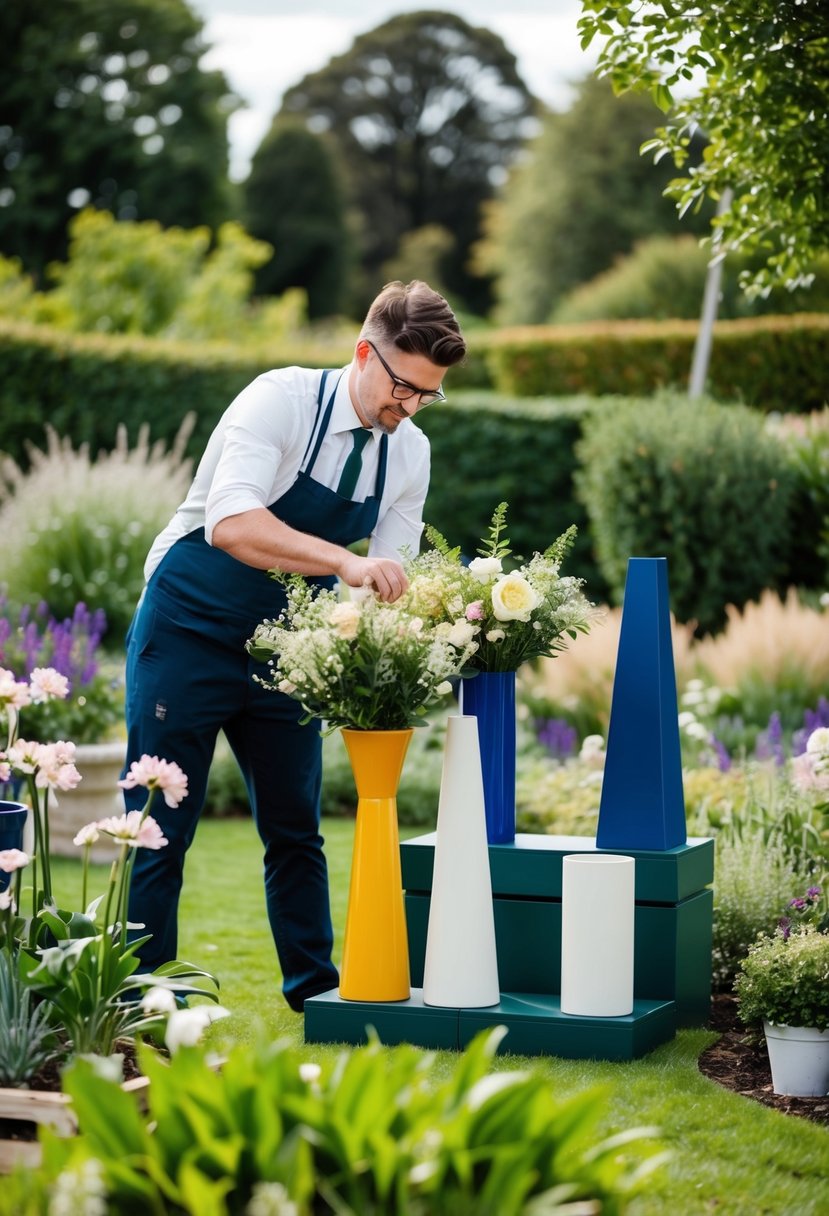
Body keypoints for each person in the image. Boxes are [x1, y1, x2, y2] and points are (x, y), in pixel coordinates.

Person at [123, 280, 467, 1010]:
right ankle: (140, 998)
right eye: (402, 386)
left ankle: (315, 994)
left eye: (427, 396)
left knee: (294, 829)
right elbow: (232, 523)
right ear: (362, 353)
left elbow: (384, 579)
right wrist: (342, 561)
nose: (406, 408)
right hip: (187, 626)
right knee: (160, 824)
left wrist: (381, 654)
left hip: (286, 647)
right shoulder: (278, 401)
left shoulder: (408, 454)